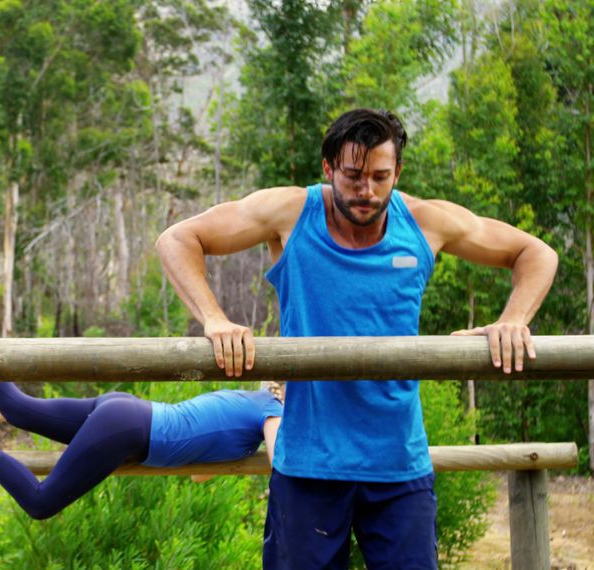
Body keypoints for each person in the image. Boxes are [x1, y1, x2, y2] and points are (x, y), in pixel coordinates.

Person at [155, 108, 558, 569]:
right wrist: (215, 319)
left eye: (380, 177)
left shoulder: (425, 223)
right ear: (328, 169)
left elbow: (536, 253)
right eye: (352, 176)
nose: (366, 191)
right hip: (308, 465)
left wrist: (513, 319)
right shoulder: (290, 212)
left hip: (398, 466)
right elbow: (178, 239)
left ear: (397, 172)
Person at [0, 326, 282, 520]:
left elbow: (198, 473)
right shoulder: (272, 410)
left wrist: (244, 449)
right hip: (129, 430)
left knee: (21, 410)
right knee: (40, 503)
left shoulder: (249, 403)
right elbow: (283, 462)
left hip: (126, 414)